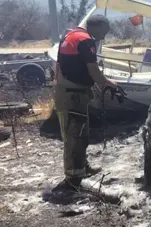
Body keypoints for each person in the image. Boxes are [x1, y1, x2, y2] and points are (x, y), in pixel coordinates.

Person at [54, 14, 117, 190]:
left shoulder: (69, 36)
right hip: (73, 94)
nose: (103, 37)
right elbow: (94, 71)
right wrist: (109, 82)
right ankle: (74, 179)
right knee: (75, 134)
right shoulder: (85, 40)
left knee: (77, 132)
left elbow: (59, 66)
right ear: (97, 26)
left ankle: (81, 167)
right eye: (104, 32)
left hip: (65, 91)